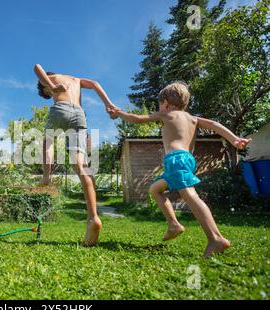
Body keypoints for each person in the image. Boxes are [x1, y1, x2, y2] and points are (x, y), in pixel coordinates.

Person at [107, 82, 252, 257]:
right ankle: (173, 224)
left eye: (160, 104)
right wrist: (234, 139)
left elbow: (138, 119)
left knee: (190, 196)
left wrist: (119, 112)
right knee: (155, 189)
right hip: (186, 160)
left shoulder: (166, 114)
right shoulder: (193, 118)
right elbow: (214, 124)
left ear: (166, 103)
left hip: (176, 160)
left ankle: (216, 238)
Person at [34, 64, 115, 246]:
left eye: (48, 95)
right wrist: (108, 104)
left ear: (45, 86)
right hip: (79, 114)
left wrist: (52, 88)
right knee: (80, 165)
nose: (50, 95)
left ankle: (46, 177)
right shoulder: (76, 80)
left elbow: (37, 67)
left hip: (60, 109)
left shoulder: (52, 80)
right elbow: (95, 83)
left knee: (47, 141)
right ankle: (93, 217)